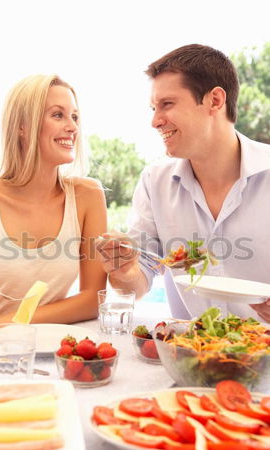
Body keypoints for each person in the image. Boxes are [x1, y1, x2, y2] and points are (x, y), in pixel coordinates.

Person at [96, 44, 270, 323]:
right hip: (191, 358)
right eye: (153, 108)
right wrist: (125, 272)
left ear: (214, 100)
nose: (155, 121)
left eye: (167, 104)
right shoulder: (155, 182)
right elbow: (138, 282)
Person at [0, 74, 107, 349]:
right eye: (58, 115)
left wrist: (11, 323)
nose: (72, 127)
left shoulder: (87, 196)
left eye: (75, 117)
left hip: (48, 353)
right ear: (23, 126)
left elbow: (94, 297)